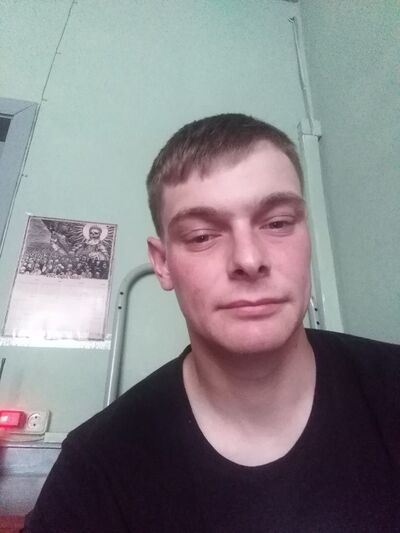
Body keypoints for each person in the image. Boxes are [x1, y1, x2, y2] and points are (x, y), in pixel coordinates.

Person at [25, 114, 400, 532]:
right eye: (202, 235)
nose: (249, 259)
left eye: (277, 223)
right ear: (163, 263)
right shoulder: (95, 469)